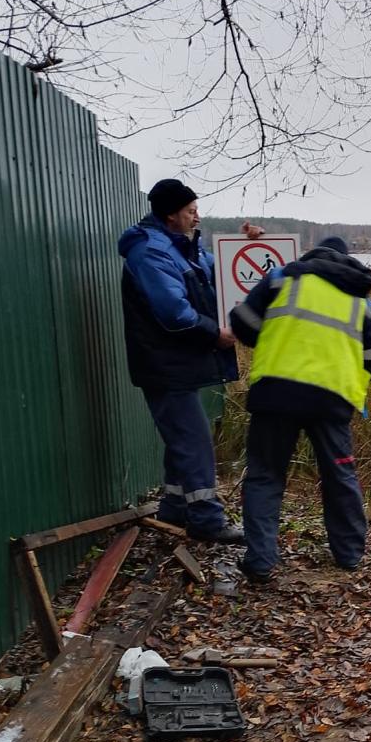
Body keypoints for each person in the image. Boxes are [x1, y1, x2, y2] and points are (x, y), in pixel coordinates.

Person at [229, 235, 371, 582]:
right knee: (339, 477)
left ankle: (260, 562)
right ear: (346, 262)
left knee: (265, 475)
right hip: (331, 401)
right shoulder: (360, 302)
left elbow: (242, 323)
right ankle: (348, 556)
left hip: (275, 394)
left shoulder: (283, 278)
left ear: (312, 255)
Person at [119, 179, 253, 543]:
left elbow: (220, 272)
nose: (197, 216)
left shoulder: (181, 248)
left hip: (175, 363)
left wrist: (248, 245)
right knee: (194, 442)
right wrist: (216, 334)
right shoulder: (150, 252)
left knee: (183, 439)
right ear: (170, 214)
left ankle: (175, 510)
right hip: (165, 365)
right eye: (191, 211)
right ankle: (207, 521)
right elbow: (173, 312)